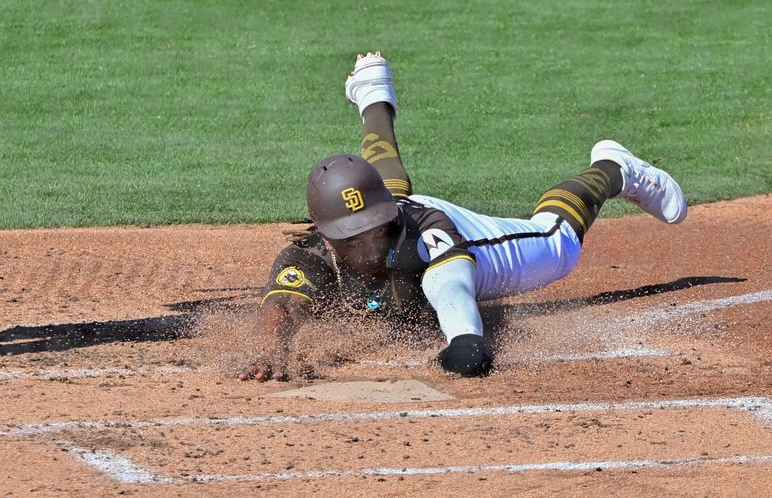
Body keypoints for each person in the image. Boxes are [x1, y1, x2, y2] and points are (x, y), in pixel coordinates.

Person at [239, 52, 687, 381]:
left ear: (385, 220)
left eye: (373, 229)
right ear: (327, 235)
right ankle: (372, 94)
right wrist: (267, 350)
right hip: (392, 205)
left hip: (468, 246)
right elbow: (281, 307)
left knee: (559, 244)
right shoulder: (309, 255)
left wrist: (464, 343)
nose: (368, 243)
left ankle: (614, 168)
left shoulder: (426, 238)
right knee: (387, 184)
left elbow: (453, 297)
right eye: (351, 236)